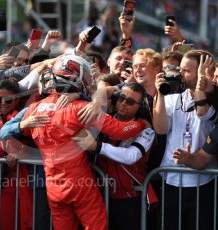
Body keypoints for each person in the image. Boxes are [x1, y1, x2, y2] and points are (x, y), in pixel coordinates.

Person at [20, 55, 147, 229]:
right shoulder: (80, 107)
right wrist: (142, 124)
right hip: (80, 185)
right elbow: (119, 130)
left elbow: (25, 131)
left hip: (53, 186)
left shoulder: (33, 108)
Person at [72, 83, 156, 230]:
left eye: (130, 102)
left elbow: (131, 155)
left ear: (140, 106)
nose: (123, 103)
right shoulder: (103, 121)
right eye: (121, 98)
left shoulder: (146, 130)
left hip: (130, 199)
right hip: (99, 195)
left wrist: (98, 147)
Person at [153, 49, 216, 230]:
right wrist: (161, 95)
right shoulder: (173, 96)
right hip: (171, 178)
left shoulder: (212, 97)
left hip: (202, 181)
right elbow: (161, 128)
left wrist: (202, 83)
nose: (180, 73)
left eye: (187, 70)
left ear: (203, 71)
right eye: (180, 69)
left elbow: (202, 113)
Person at [0, 80, 32, 230]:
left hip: (22, 181)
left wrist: (20, 154)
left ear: (17, 100)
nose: (3, 103)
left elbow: (37, 146)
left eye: (9, 99)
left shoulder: (25, 119)